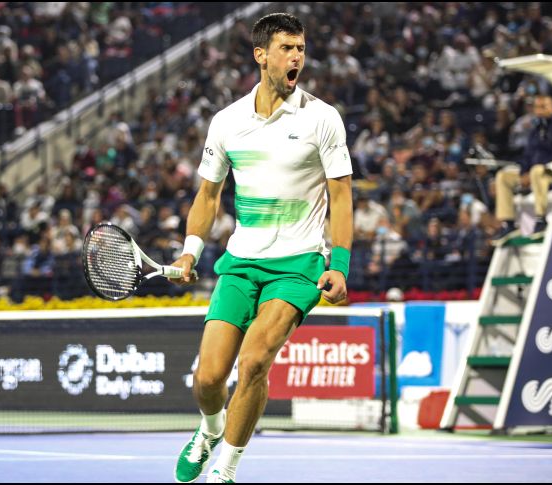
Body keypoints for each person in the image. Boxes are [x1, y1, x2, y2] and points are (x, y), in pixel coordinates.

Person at [170, 13, 352, 483]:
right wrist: (191, 251)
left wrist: (341, 264)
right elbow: (207, 195)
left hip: (298, 265)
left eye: (301, 48)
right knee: (208, 379)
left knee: (253, 363)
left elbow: (341, 195)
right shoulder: (227, 122)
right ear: (261, 55)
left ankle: (225, 470)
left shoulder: (322, 118)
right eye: (287, 48)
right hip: (241, 263)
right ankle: (210, 431)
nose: (297, 57)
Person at [493, 94, 552, 242]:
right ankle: (508, 223)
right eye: (537, 107)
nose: (540, 111)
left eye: (544, 107)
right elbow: (527, 155)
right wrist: (524, 172)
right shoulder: (536, 129)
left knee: (537, 171)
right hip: (533, 172)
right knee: (503, 176)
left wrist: (532, 172)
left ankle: (541, 219)